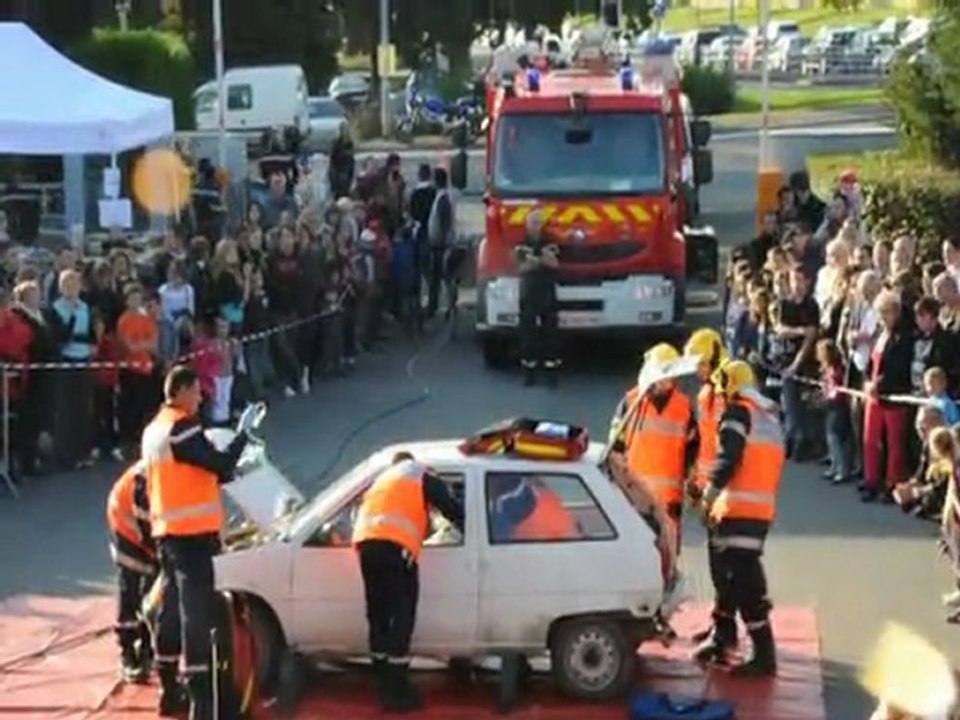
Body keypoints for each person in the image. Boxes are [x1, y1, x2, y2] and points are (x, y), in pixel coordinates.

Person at [143, 365, 250, 719]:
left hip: (167, 531)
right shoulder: (182, 427)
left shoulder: (154, 429)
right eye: (197, 391)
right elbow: (216, 464)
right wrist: (243, 436)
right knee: (196, 613)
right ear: (183, 391)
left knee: (171, 608)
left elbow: (188, 473)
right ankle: (201, 696)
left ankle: (169, 684)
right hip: (192, 535)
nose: (201, 398)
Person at [352, 451, 464, 712]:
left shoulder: (382, 480)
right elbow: (452, 509)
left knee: (378, 614)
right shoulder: (418, 474)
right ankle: (397, 690)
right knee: (402, 615)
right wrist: (464, 521)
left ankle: (381, 680)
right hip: (395, 548)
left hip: (366, 547)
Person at [694, 359, 785, 676]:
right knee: (736, 578)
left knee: (741, 582)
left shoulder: (738, 412)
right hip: (759, 510)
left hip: (738, 508)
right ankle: (727, 639)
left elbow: (728, 457)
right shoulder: (768, 417)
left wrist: (708, 493)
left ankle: (763, 655)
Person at [610, 342, 697, 554]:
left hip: (669, 499)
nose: (666, 380)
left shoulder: (684, 407)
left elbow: (694, 450)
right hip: (635, 496)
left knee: (667, 555)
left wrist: (694, 484)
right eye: (662, 374)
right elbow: (615, 447)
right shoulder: (631, 402)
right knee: (637, 555)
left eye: (670, 375)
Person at [682, 327, 730, 645]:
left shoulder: (726, 391)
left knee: (727, 565)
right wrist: (696, 486)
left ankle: (725, 631)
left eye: (700, 364)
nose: (696, 371)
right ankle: (721, 626)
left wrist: (712, 489)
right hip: (711, 490)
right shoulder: (706, 394)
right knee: (718, 563)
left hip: (726, 492)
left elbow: (729, 450)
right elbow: (705, 447)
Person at [106, 461, 158, 685]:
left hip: (147, 524)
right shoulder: (144, 484)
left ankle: (149, 644)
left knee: (155, 585)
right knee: (131, 583)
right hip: (126, 524)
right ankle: (128, 649)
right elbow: (149, 529)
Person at [516, 209, 560, 387]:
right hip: (529, 293)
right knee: (528, 333)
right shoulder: (521, 244)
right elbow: (521, 267)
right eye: (532, 223)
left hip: (547, 292)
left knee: (550, 332)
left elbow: (555, 263)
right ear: (527, 225)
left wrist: (535, 260)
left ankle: (551, 373)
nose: (535, 226)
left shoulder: (550, 242)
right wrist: (540, 259)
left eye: (538, 222)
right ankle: (529, 372)